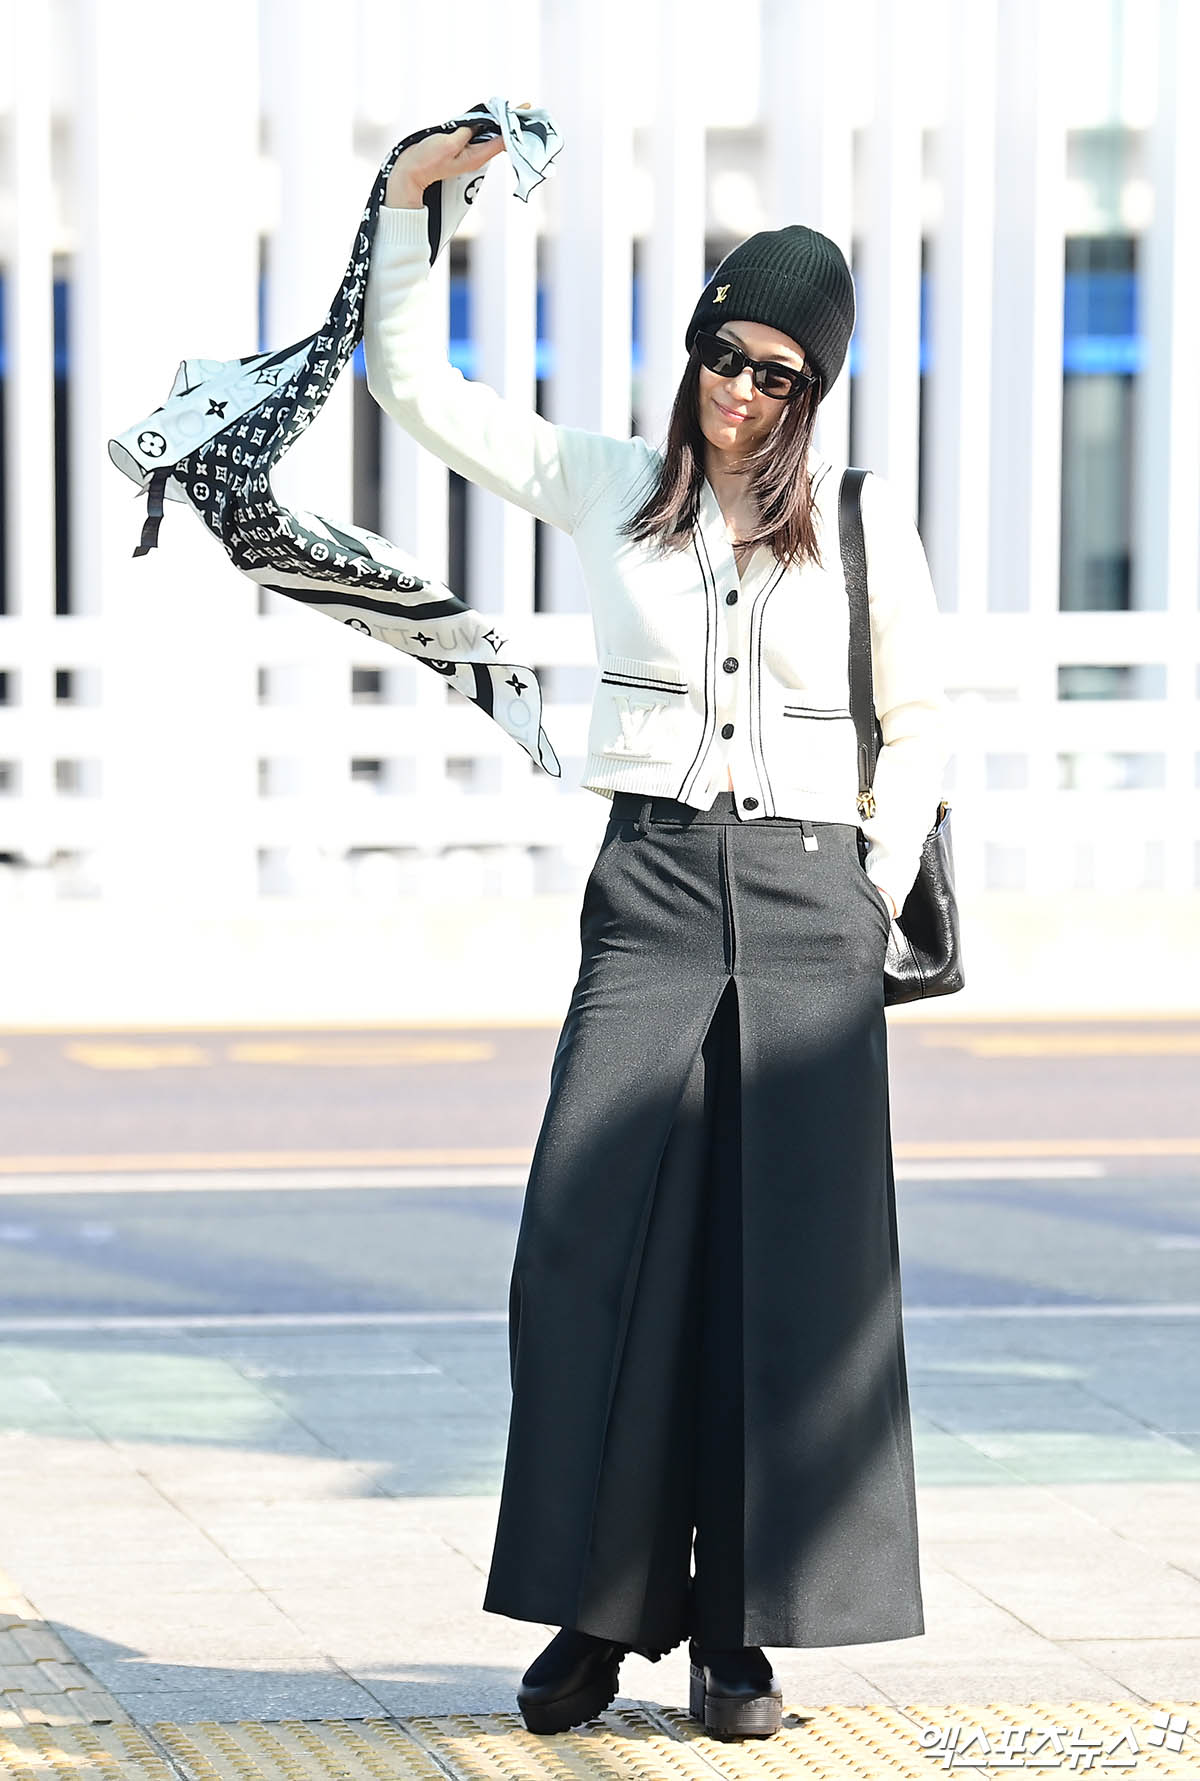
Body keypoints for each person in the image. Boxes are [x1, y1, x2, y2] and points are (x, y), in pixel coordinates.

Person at [364, 121, 948, 1742]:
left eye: (775, 371)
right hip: (653, 893)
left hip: (813, 907)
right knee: (586, 1246)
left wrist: (870, 881)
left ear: (813, 390)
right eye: (722, 352)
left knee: (787, 1282)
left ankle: (740, 1636)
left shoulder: (862, 522)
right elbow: (420, 393)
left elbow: (921, 721)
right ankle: (599, 1607)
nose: (739, 388)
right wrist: (411, 203)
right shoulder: (619, 486)